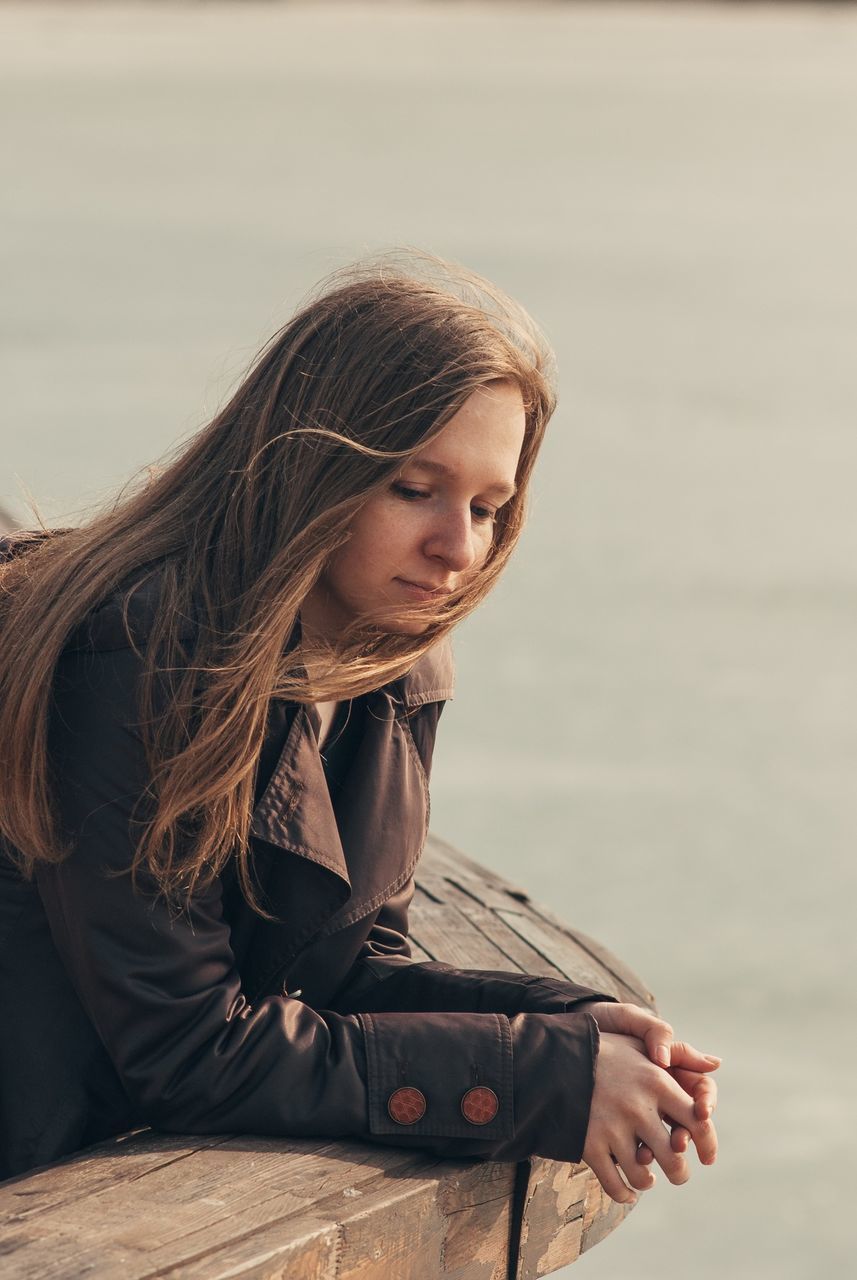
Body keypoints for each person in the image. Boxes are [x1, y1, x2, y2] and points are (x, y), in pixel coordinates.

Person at [0, 253, 719, 1202]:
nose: (457, 548)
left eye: (487, 508)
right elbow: (188, 1051)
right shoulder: (140, 656)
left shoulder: (394, 664)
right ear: (310, 464)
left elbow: (340, 972)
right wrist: (541, 1077)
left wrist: (575, 1029)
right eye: (414, 489)